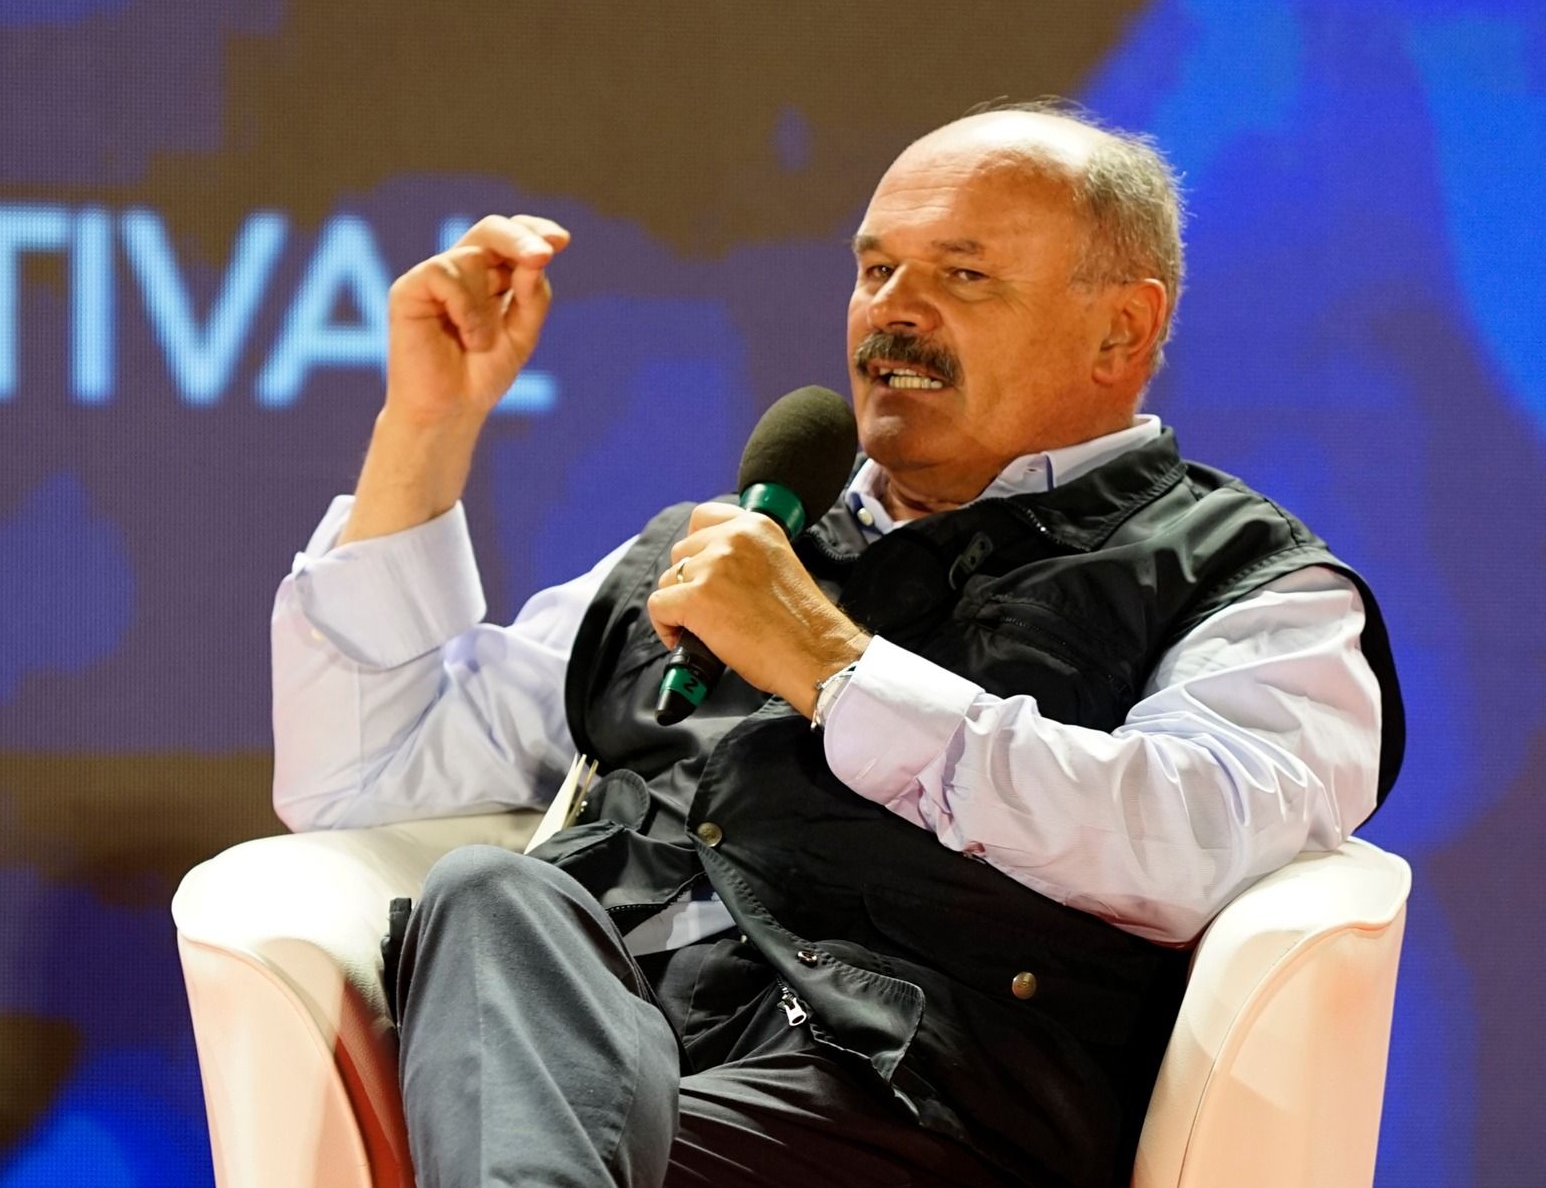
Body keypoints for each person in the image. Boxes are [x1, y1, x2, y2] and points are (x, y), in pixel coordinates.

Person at [268, 103, 1404, 1188]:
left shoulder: (1245, 584)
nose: (891, 312)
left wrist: (831, 665)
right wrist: (426, 423)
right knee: (488, 895)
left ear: (1122, 327)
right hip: (590, 1087)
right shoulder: (727, 546)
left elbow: (1186, 843)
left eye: (960, 274)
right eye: (874, 270)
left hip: (906, 1110)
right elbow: (363, 770)